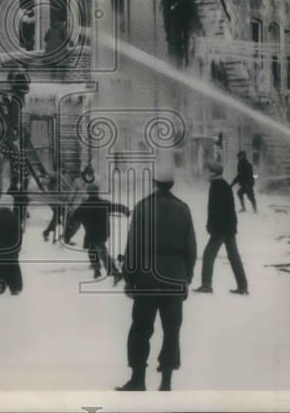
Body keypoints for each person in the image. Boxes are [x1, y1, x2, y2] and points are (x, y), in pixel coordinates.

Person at [117, 157, 197, 392]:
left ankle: (138, 378)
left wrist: (129, 277)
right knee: (172, 331)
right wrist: (186, 278)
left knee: (141, 328)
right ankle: (166, 381)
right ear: (171, 184)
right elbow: (191, 249)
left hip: (146, 279)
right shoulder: (184, 209)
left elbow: (133, 247)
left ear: (153, 181)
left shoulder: (143, 207)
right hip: (174, 279)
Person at [196, 161, 249, 295]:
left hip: (220, 229)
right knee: (234, 257)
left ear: (213, 173)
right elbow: (230, 210)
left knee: (208, 255)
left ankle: (206, 285)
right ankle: (242, 286)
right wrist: (231, 227)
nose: (206, 173)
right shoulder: (224, 185)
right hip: (228, 228)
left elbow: (215, 210)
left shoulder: (216, 186)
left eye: (208, 171)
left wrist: (212, 228)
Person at [70, 181, 131, 281]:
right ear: (97, 192)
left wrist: (72, 213)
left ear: (88, 193)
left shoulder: (84, 206)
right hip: (102, 232)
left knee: (100, 251)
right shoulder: (103, 203)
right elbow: (117, 207)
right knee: (92, 249)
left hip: (92, 233)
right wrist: (125, 210)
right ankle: (97, 271)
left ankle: (114, 272)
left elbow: (75, 216)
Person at [0, 194, 23, 295]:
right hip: (12, 249)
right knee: (13, 267)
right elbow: (19, 234)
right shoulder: (14, 218)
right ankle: (15, 287)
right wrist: (18, 246)